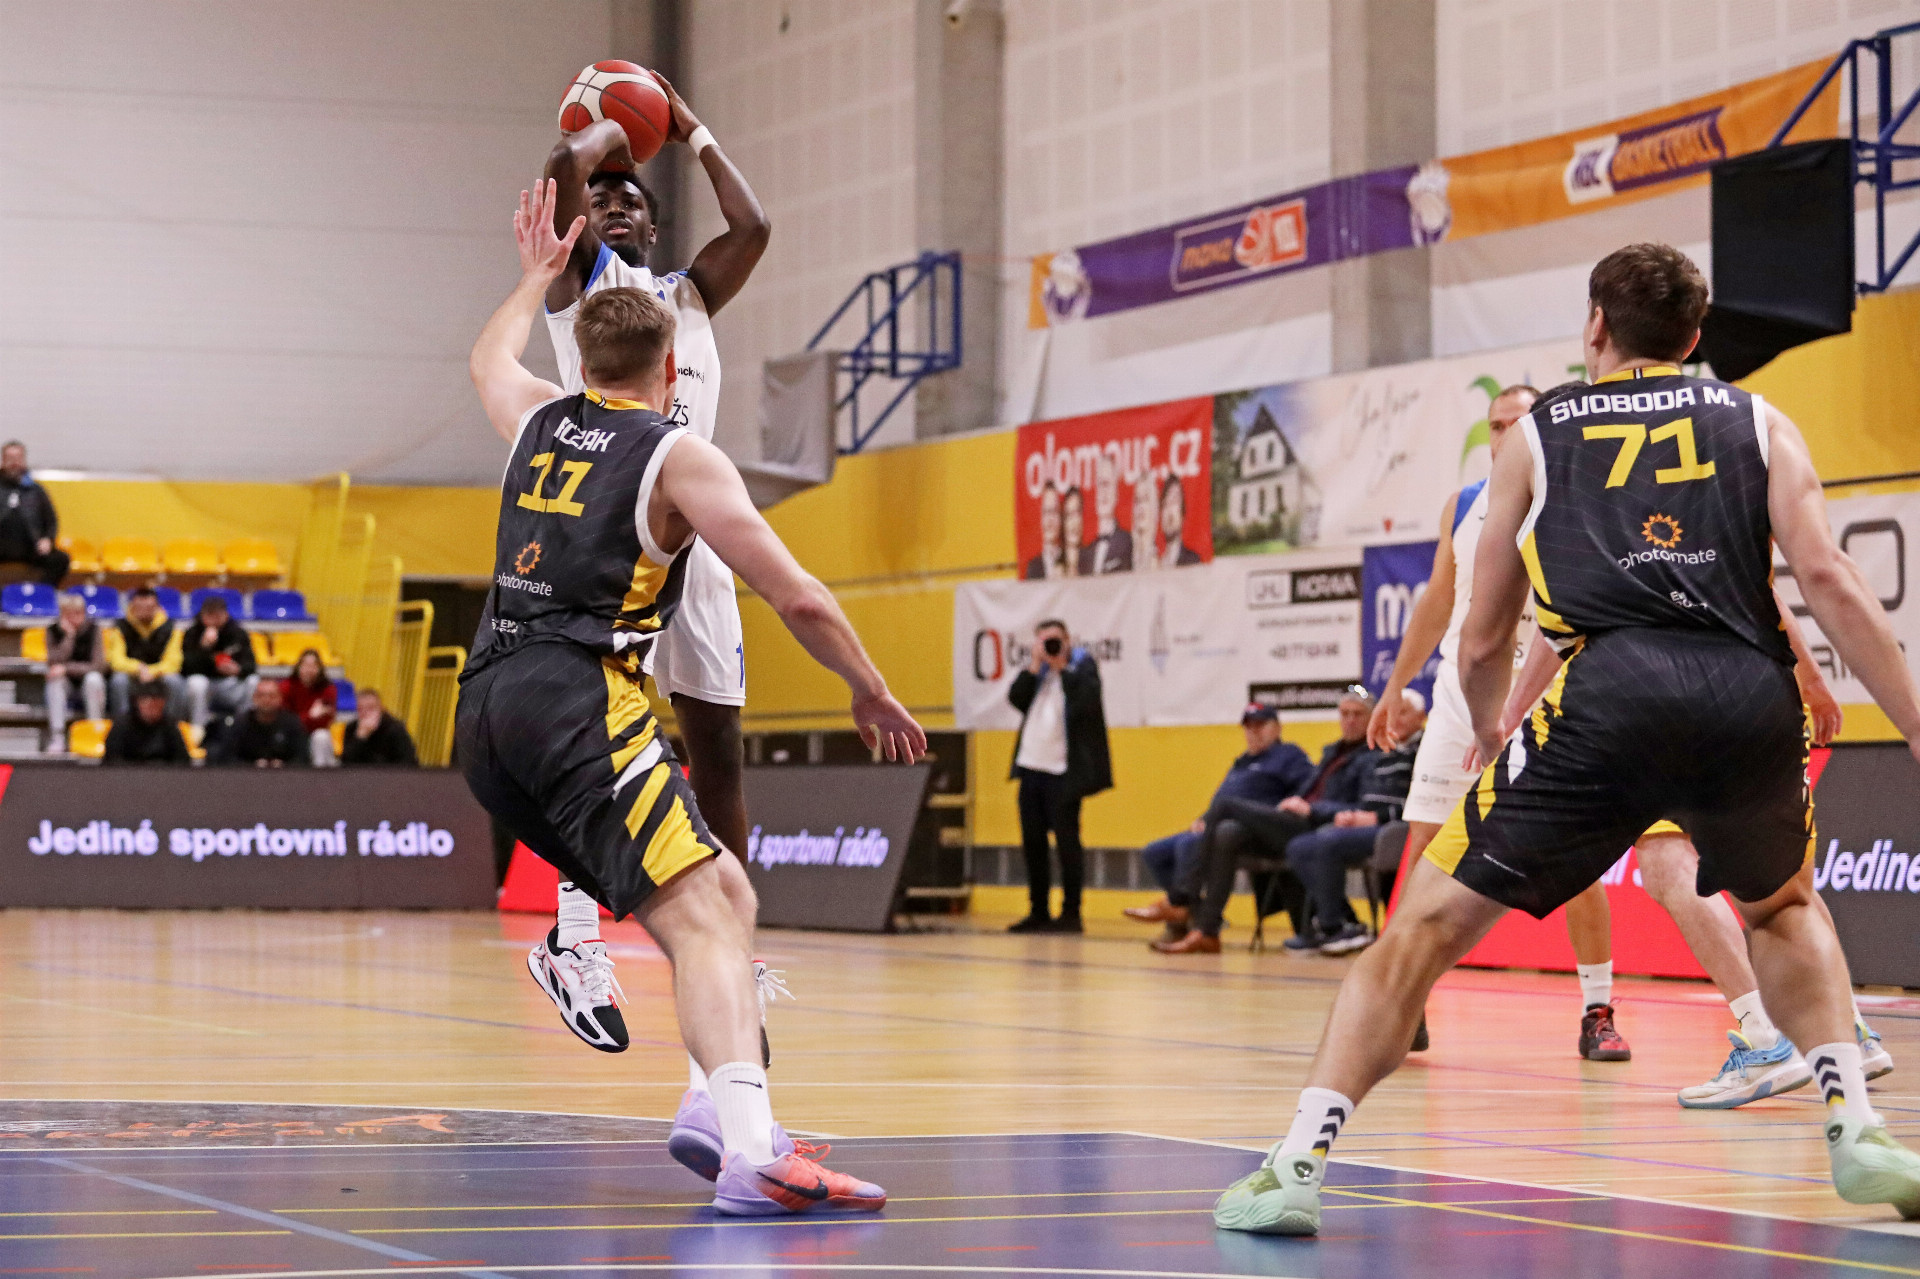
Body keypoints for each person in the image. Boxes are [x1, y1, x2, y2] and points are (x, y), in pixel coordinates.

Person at [1215, 244, 1920, 1236]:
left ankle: (1296, 1163)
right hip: (1747, 697)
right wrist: (1917, 723)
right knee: (1784, 906)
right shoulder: (1760, 420)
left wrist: (1492, 722)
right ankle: (1856, 1124)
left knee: (1419, 930)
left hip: (1608, 695)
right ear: (1694, 335)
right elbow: (1830, 581)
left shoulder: (1538, 434)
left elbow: (1483, 634)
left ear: (1596, 325)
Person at [462, 179, 920, 1213]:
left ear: (581, 362)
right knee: (712, 912)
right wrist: (870, 688)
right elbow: (798, 596)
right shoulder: (675, 456)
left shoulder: (536, 418)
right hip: (577, 699)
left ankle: (716, 1104)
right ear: (672, 369)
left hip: (484, 710)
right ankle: (749, 1152)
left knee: (722, 895)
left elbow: (488, 358)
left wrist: (534, 275)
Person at [540, 70, 773, 1035]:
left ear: (654, 219)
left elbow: (753, 226)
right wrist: (610, 131)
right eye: (602, 200)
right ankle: (572, 934)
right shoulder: (582, 288)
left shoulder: (689, 295)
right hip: (609, 522)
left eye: (632, 197)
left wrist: (692, 130)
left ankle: (736, 950)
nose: (615, 204)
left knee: (717, 748)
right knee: (589, 739)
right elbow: (561, 168)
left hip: (697, 530)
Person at [1500, 609, 1893, 1105]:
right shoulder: (1725, 554)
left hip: (1660, 693)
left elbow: (1558, 620)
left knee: (1666, 862)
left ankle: (1765, 1038)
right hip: (1758, 690)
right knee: (1783, 884)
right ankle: (1847, 1032)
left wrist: (1512, 710)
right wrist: (1810, 679)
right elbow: (1770, 594)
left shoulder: (1603, 560)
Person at [1369, 383, 1631, 1063]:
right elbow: (1438, 600)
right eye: (1495, 424)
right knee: (1424, 847)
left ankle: (1598, 1009)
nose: (1505, 434)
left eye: (1519, 422)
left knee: (1576, 862)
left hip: (1547, 694)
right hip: (1461, 696)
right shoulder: (1462, 503)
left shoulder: (1576, 497)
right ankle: (1403, 1000)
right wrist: (1395, 686)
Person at [1156, 688, 1376, 955]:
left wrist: (1312, 808)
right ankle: (1207, 931)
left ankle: (1181, 899)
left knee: (1225, 807)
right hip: (1291, 819)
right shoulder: (1331, 752)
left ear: (1373, 717)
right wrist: (1296, 801)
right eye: (1345, 714)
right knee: (1227, 832)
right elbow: (1307, 790)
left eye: (1357, 714)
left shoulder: (1371, 756)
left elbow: (1363, 808)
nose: (1350, 720)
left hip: (1316, 824)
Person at [1124, 703, 1313, 947]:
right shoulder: (1242, 762)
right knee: (1155, 852)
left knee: (1190, 845)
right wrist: (1204, 819)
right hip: (1215, 826)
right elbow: (1222, 799)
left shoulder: (1289, 755)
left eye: (1261, 725)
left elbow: (1308, 791)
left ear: (1277, 728)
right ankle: (1194, 914)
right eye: (1248, 727)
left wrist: (1289, 807)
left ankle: (1180, 907)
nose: (1254, 732)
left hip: (1251, 831)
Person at [1282, 690, 1426, 956]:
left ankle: (1332, 927)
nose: (1396, 718)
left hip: (1397, 828)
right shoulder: (1384, 750)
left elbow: (1424, 801)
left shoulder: (1426, 750)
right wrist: (1354, 816)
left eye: (1404, 712)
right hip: (1366, 821)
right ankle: (1342, 924)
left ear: (1422, 717)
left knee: (1327, 841)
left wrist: (1374, 817)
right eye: (1393, 712)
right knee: (1299, 846)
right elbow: (1367, 798)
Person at [1006, 619, 1113, 933]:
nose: (1050, 647)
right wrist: (1034, 665)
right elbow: (1016, 699)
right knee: (1033, 843)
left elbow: (1086, 704)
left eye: (1055, 640)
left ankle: (1071, 913)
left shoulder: (1082, 667)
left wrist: (1062, 666)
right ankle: (1038, 910)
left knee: (1067, 845)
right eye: (1044, 641)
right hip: (1030, 767)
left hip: (1063, 773)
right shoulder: (1037, 673)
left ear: (1068, 641)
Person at [180, 596, 257, 736]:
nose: (214, 620)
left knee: (253, 681)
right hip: (206, 687)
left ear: (225, 615)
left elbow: (251, 665)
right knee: (197, 682)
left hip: (230, 685)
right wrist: (204, 647)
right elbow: (185, 668)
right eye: (209, 615)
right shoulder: (192, 633)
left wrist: (238, 670)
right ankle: (198, 729)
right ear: (202, 616)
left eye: (218, 615)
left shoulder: (238, 633)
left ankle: (246, 726)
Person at [105, 585, 182, 719]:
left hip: (158, 676)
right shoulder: (120, 627)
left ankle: (172, 724)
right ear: (132, 606)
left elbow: (173, 663)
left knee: (174, 681)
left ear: (157, 607)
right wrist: (138, 668)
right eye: (139, 607)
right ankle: (121, 723)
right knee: (119, 680)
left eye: (149, 608)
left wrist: (151, 672)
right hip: (132, 675)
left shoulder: (171, 628)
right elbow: (116, 661)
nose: (144, 611)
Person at [43, 592, 106, 752]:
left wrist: (67, 668)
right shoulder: (52, 630)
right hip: (66, 684)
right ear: (62, 615)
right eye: (69, 614)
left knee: (94, 679)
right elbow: (53, 662)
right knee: (54, 682)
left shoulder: (94, 630)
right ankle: (57, 736)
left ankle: (94, 733)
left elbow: (98, 665)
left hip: (88, 682)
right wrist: (69, 637)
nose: (74, 618)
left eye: (78, 613)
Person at [0, 442, 69, 585]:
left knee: (61, 560)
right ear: (3, 461)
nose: (14, 463)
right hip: (2, 545)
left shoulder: (36, 491)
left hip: (30, 547)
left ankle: (39, 592)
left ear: (23, 461)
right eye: (10, 459)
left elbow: (51, 521)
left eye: (18, 459)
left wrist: (48, 539)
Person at [212, 678, 307, 768]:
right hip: (245, 776)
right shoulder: (240, 723)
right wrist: (252, 766)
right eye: (261, 696)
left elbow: (302, 758)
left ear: (280, 698)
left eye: (272, 696)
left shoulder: (292, 723)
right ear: (254, 698)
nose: (266, 700)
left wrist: (284, 766)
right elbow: (227, 759)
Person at [102, 681, 191, 765]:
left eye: (156, 704)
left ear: (163, 704)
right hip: (128, 774)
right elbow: (112, 761)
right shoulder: (121, 726)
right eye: (147, 703)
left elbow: (182, 761)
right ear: (137, 703)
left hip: (163, 773)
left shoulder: (170, 726)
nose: (152, 708)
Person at [281, 648, 338, 767]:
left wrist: (304, 720)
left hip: (314, 735)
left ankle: (320, 775)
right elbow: (285, 722)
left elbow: (325, 721)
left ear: (320, 669)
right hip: (291, 736)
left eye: (314, 666)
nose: (309, 670)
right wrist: (311, 716)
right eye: (306, 665)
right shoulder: (286, 687)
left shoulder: (328, 689)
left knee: (321, 736)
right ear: (298, 667)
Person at [1079, 452, 1132, 575]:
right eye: (1100, 484)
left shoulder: (1127, 542)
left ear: (1116, 492)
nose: (1103, 492)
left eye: (1107, 484)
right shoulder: (1086, 553)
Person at [339, 688, 418, 766]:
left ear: (381, 709)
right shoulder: (352, 728)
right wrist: (360, 738)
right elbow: (345, 763)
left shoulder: (395, 729)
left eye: (371, 708)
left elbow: (408, 762)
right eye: (360, 709)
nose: (365, 713)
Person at [1158, 474, 1204, 568]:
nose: (1169, 513)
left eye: (1174, 501)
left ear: (1182, 513)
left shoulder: (1192, 561)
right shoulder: (1155, 562)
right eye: (1165, 504)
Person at [1025, 484, 1065, 580]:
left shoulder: (1070, 560)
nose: (1050, 519)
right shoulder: (1033, 567)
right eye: (1046, 512)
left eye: (1054, 511)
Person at [1129, 470, 1158, 571]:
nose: (1141, 507)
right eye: (1137, 501)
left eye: (1145, 499)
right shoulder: (1127, 555)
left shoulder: (1157, 559)